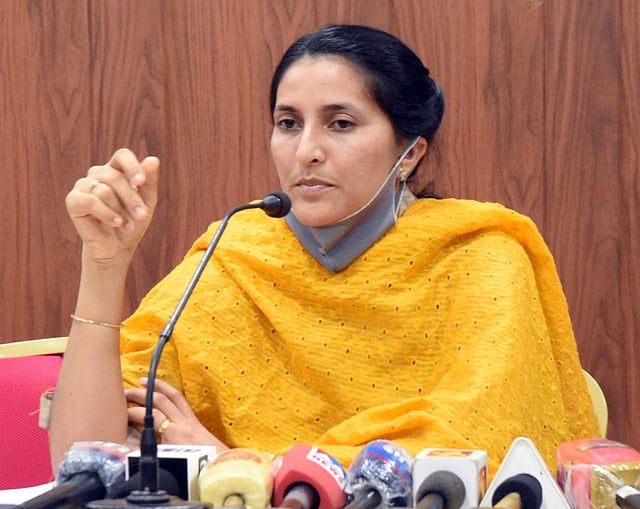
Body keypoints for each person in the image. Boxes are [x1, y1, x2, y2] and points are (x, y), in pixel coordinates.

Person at [50, 24, 599, 479]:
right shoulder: (237, 250)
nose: (306, 151)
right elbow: (82, 461)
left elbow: (464, 453)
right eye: (288, 124)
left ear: (409, 154)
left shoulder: (480, 255)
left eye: (341, 123)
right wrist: (104, 264)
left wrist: (244, 466)